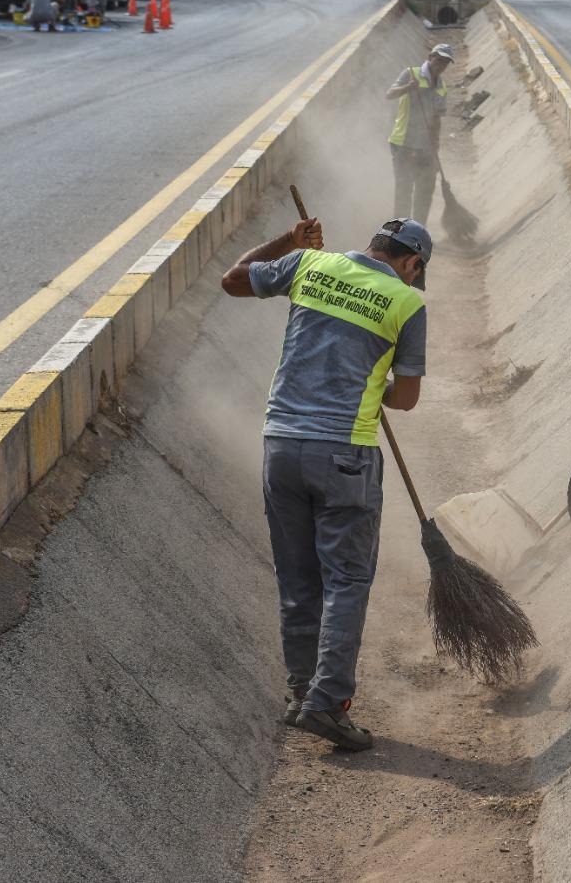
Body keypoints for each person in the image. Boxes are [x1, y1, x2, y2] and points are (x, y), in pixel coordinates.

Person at [221, 215, 432, 752]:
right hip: (345, 455)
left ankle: (300, 692)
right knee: (346, 580)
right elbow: (406, 400)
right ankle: (329, 702)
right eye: (415, 273)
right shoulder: (407, 303)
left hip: (280, 447)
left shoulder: (310, 263)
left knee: (297, 576)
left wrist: (289, 240)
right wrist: (377, 380)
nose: (412, 282)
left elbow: (236, 277)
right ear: (412, 263)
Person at [385, 43, 454, 223]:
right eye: (439, 60)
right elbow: (390, 94)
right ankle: (399, 231)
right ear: (431, 57)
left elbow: (437, 119)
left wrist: (436, 149)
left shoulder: (441, 87)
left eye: (446, 63)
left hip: (426, 147)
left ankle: (418, 230)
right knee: (404, 189)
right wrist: (408, 87)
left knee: (425, 190)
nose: (441, 65)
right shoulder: (411, 73)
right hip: (403, 143)